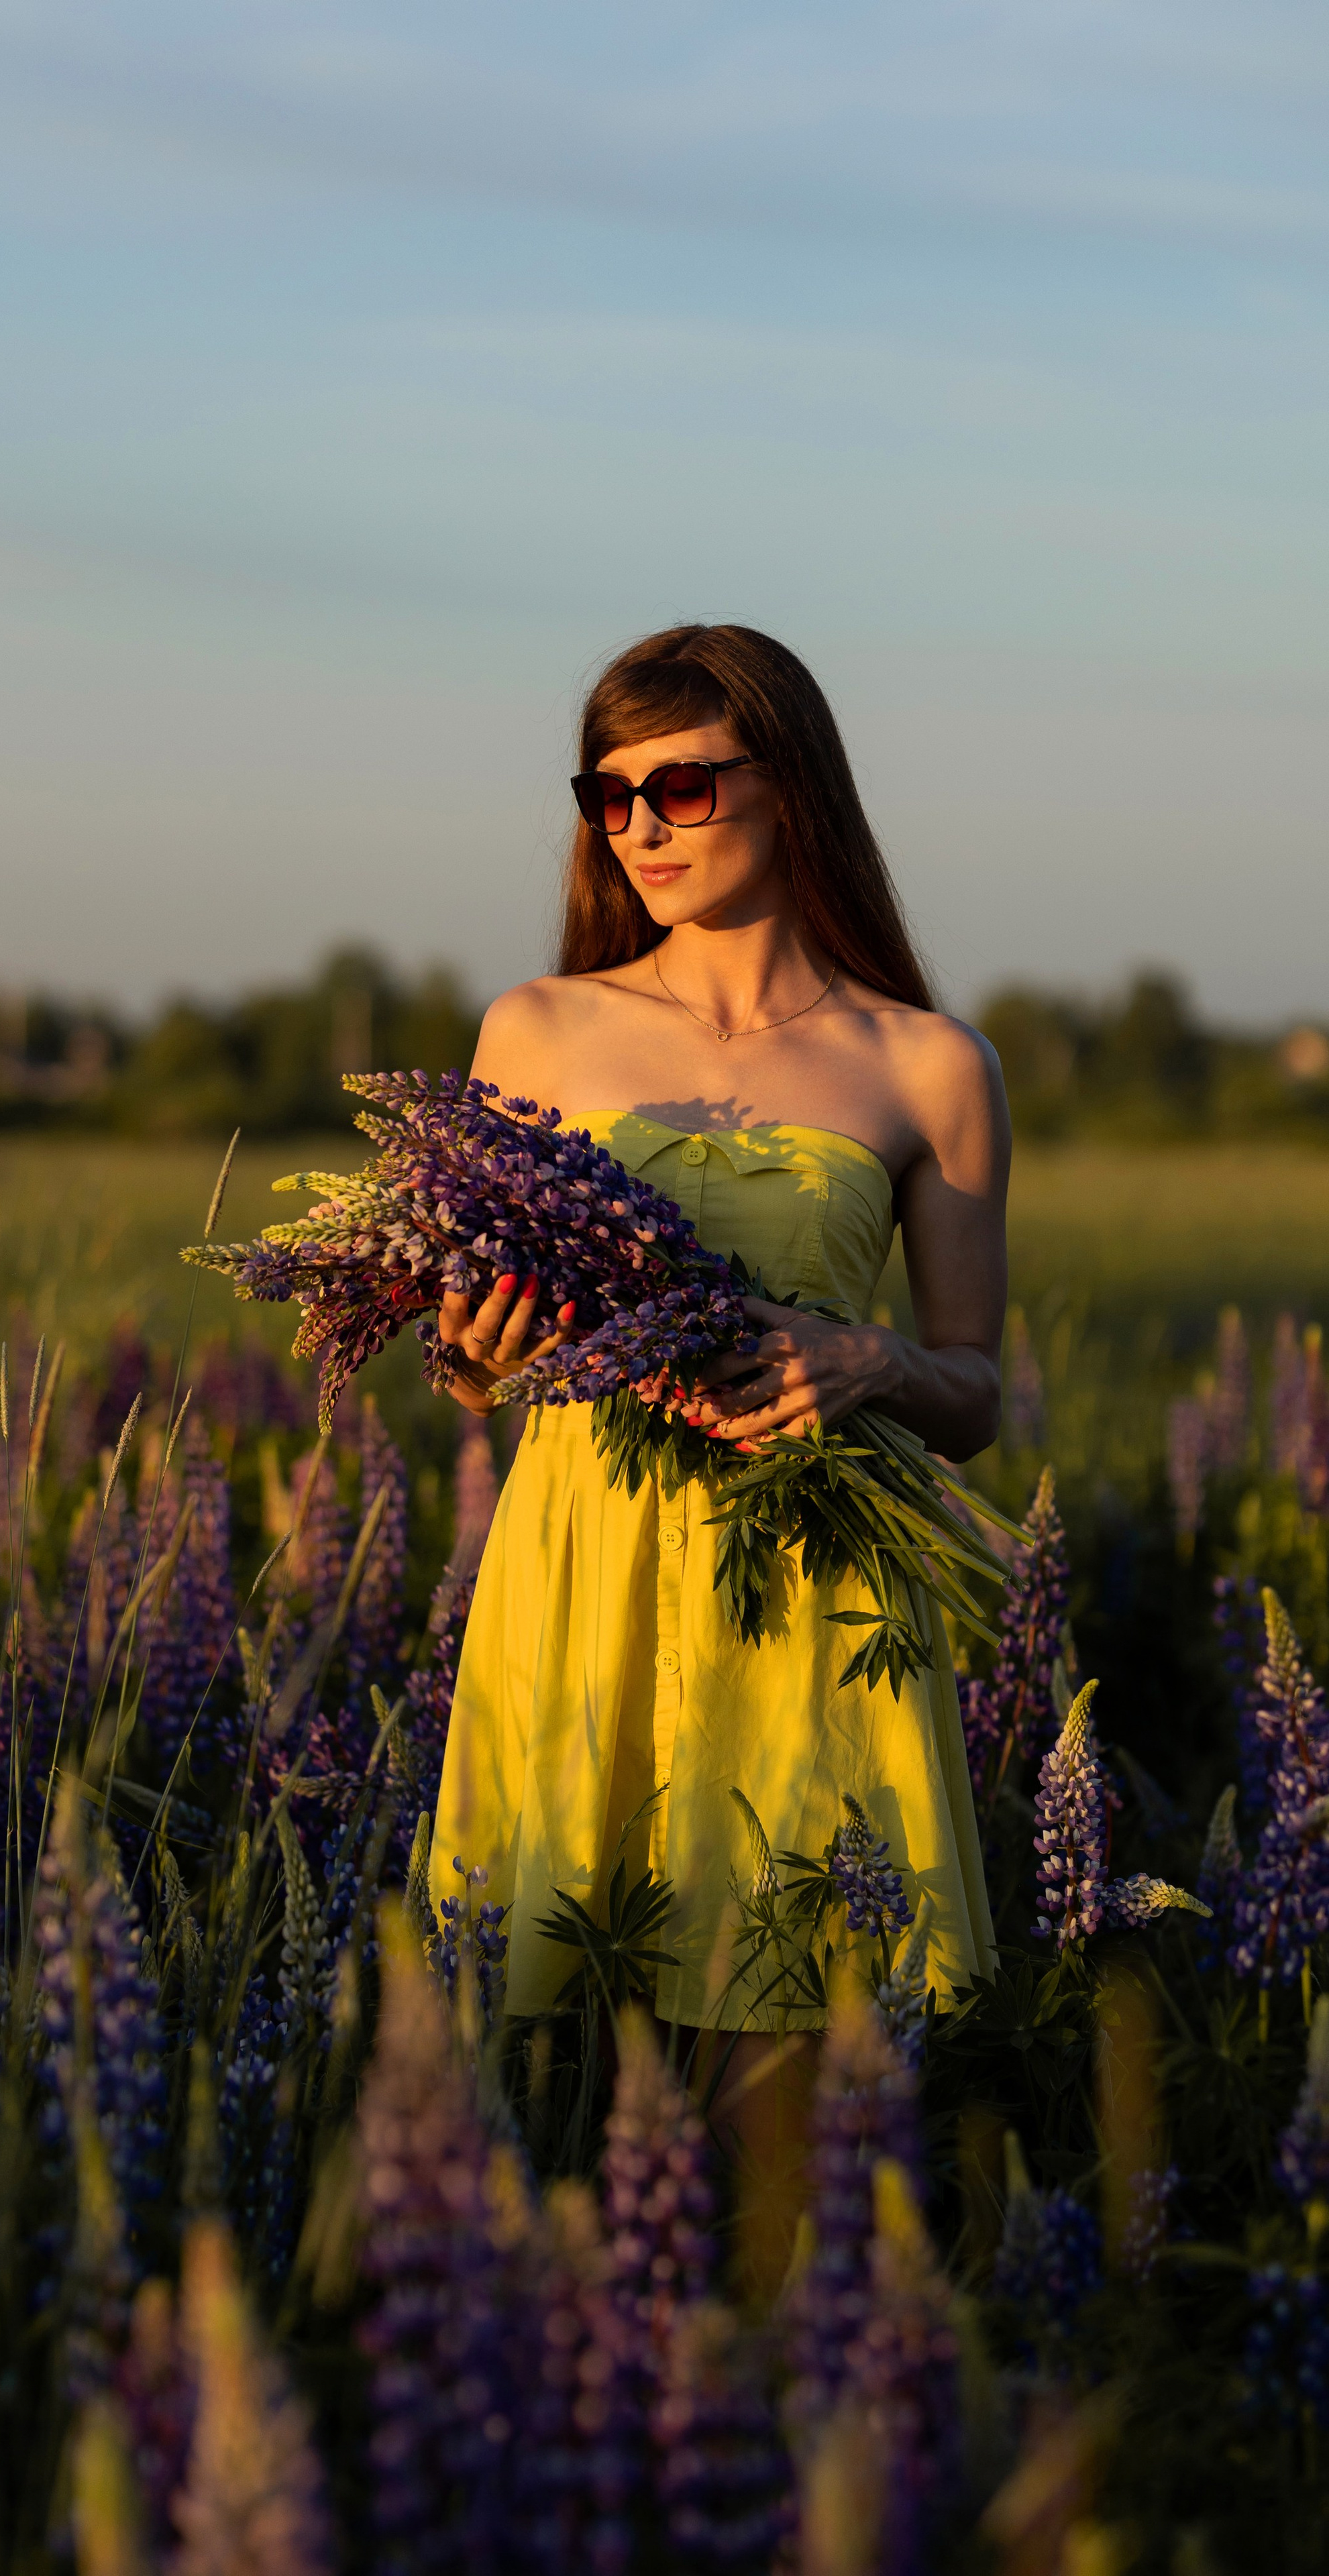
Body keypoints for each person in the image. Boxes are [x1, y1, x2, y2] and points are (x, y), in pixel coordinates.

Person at [426, 622, 1008, 2292]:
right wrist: (480, 1356)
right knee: (545, 2054)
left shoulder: (924, 1064)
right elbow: (474, 1368)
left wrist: (872, 1358)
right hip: (582, 1557)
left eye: (680, 783)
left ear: (791, 781)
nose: (642, 826)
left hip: (811, 1585)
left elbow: (975, 1392)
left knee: (793, 2065)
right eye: (606, 797)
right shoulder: (531, 1029)